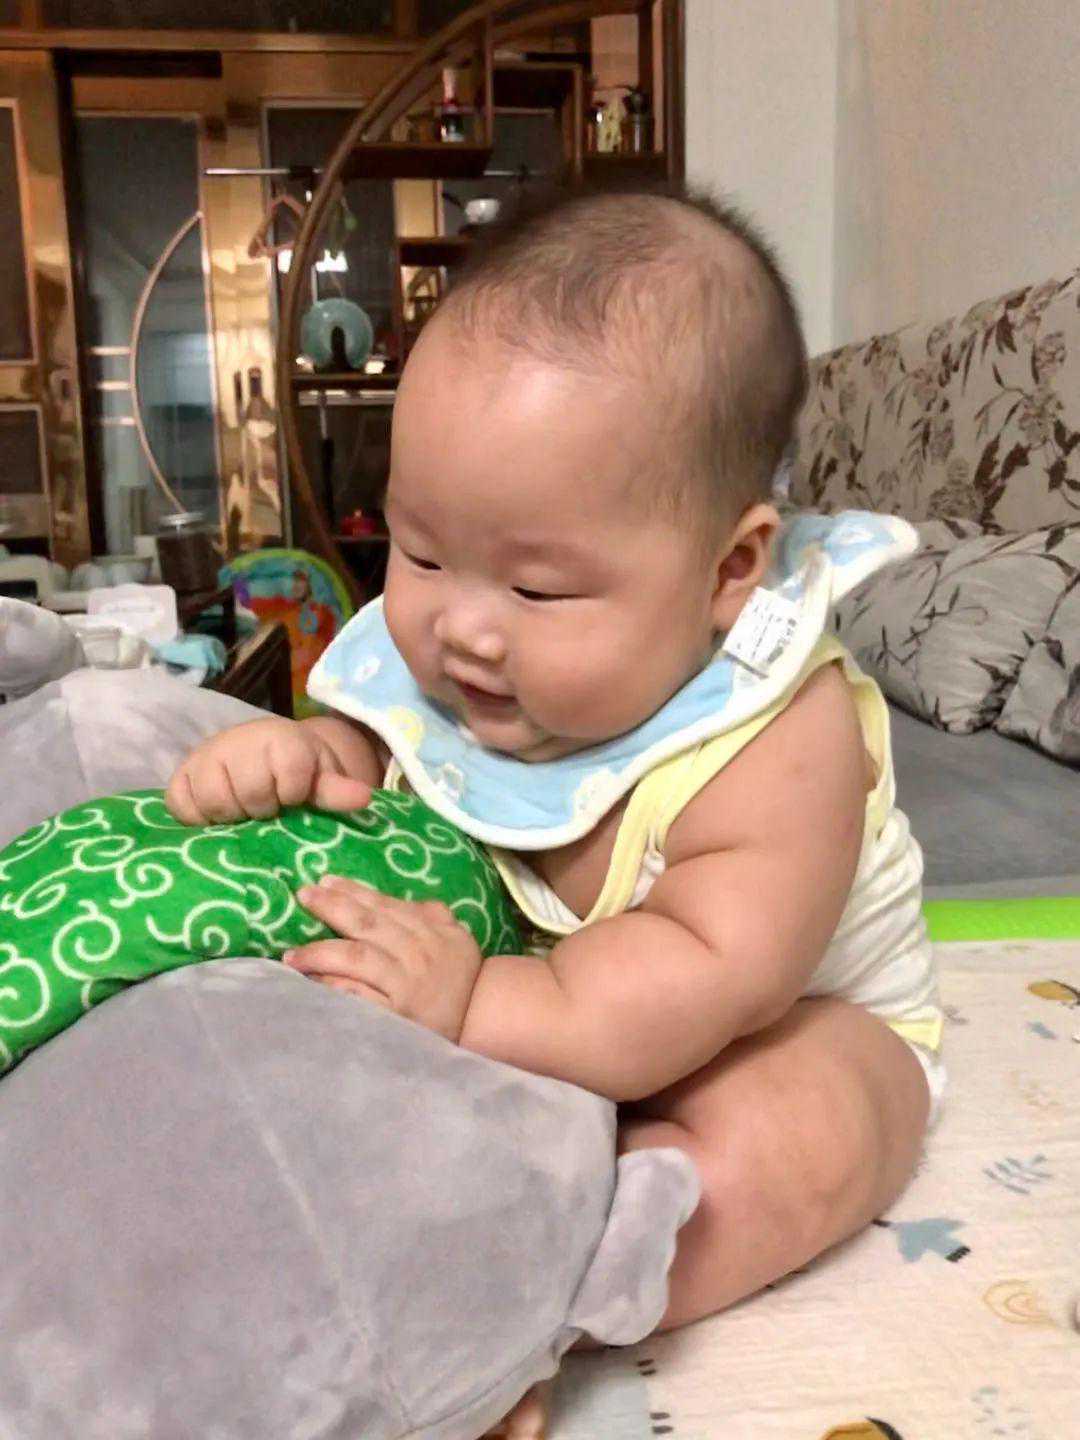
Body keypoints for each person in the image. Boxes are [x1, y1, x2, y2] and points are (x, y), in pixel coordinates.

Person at [167, 184, 943, 1437]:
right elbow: (374, 759)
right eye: (422, 553)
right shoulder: (435, 661)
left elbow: (713, 969)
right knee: (350, 1049)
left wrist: (480, 1005)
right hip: (529, 1012)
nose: (461, 627)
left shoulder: (775, 730)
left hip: (779, 1022)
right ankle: (430, 1256)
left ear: (728, 570)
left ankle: (563, 1305)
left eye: (536, 588)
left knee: (793, 1132)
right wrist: (298, 761)